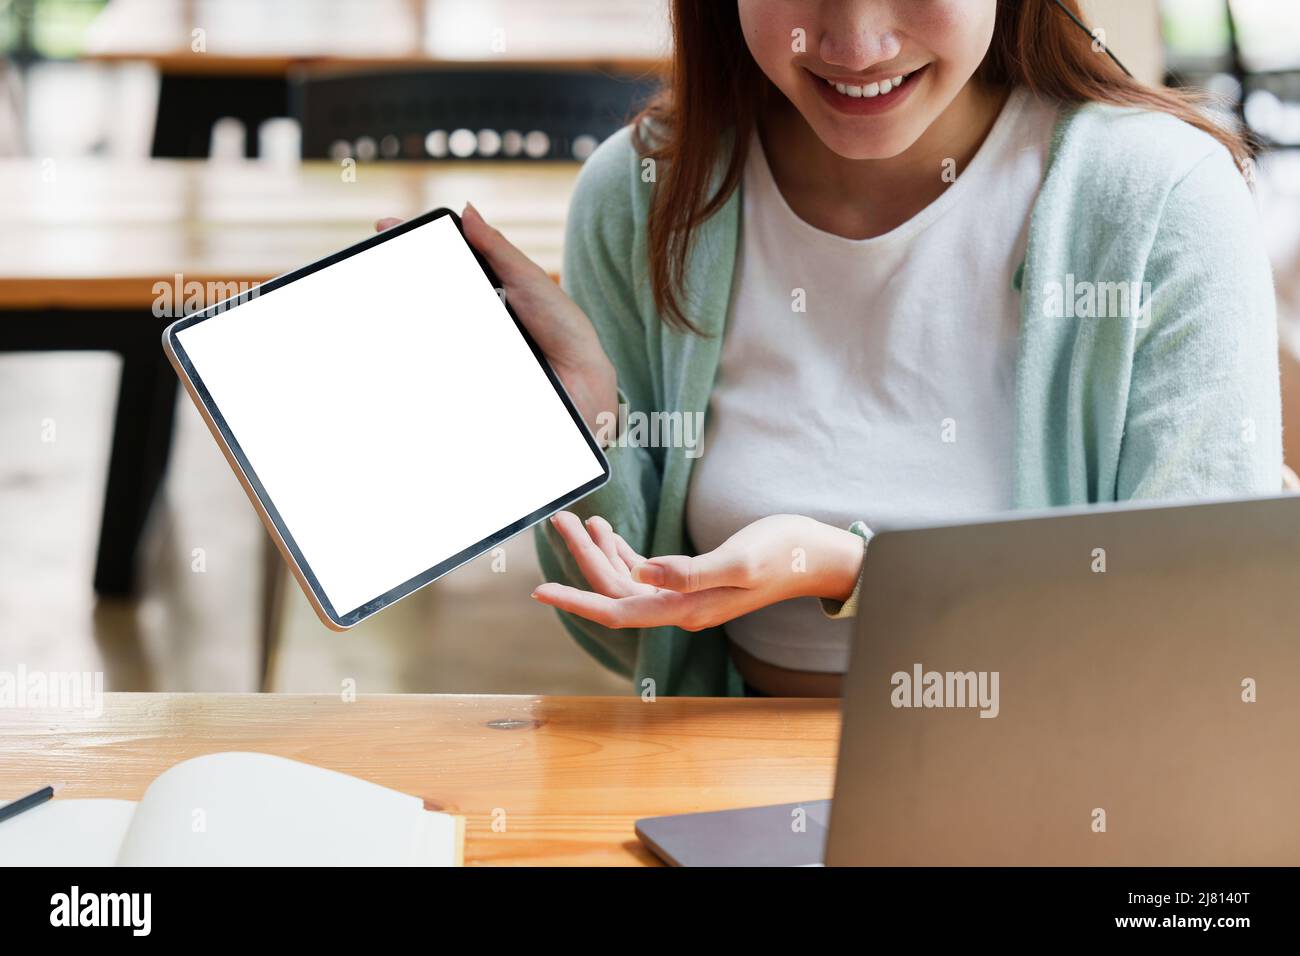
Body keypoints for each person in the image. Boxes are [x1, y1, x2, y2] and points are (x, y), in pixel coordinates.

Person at [382, 0, 1281, 697]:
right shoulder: (644, 190)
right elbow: (634, 633)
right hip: (721, 789)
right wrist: (587, 418)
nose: (853, 43)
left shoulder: (1162, 197)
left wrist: (850, 572)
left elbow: (1200, 636)